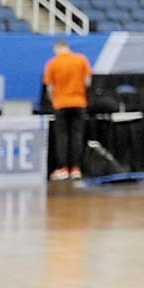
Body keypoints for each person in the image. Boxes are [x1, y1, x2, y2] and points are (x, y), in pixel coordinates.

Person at [42, 38, 93, 181]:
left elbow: (49, 88)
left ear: (57, 49)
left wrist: (54, 100)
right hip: (79, 102)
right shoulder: (81, 60)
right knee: (77, 136)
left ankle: (62, 168)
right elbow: (87, 81)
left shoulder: (52, 63)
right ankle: (76, 169)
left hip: (61, 104)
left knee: (62, 137)